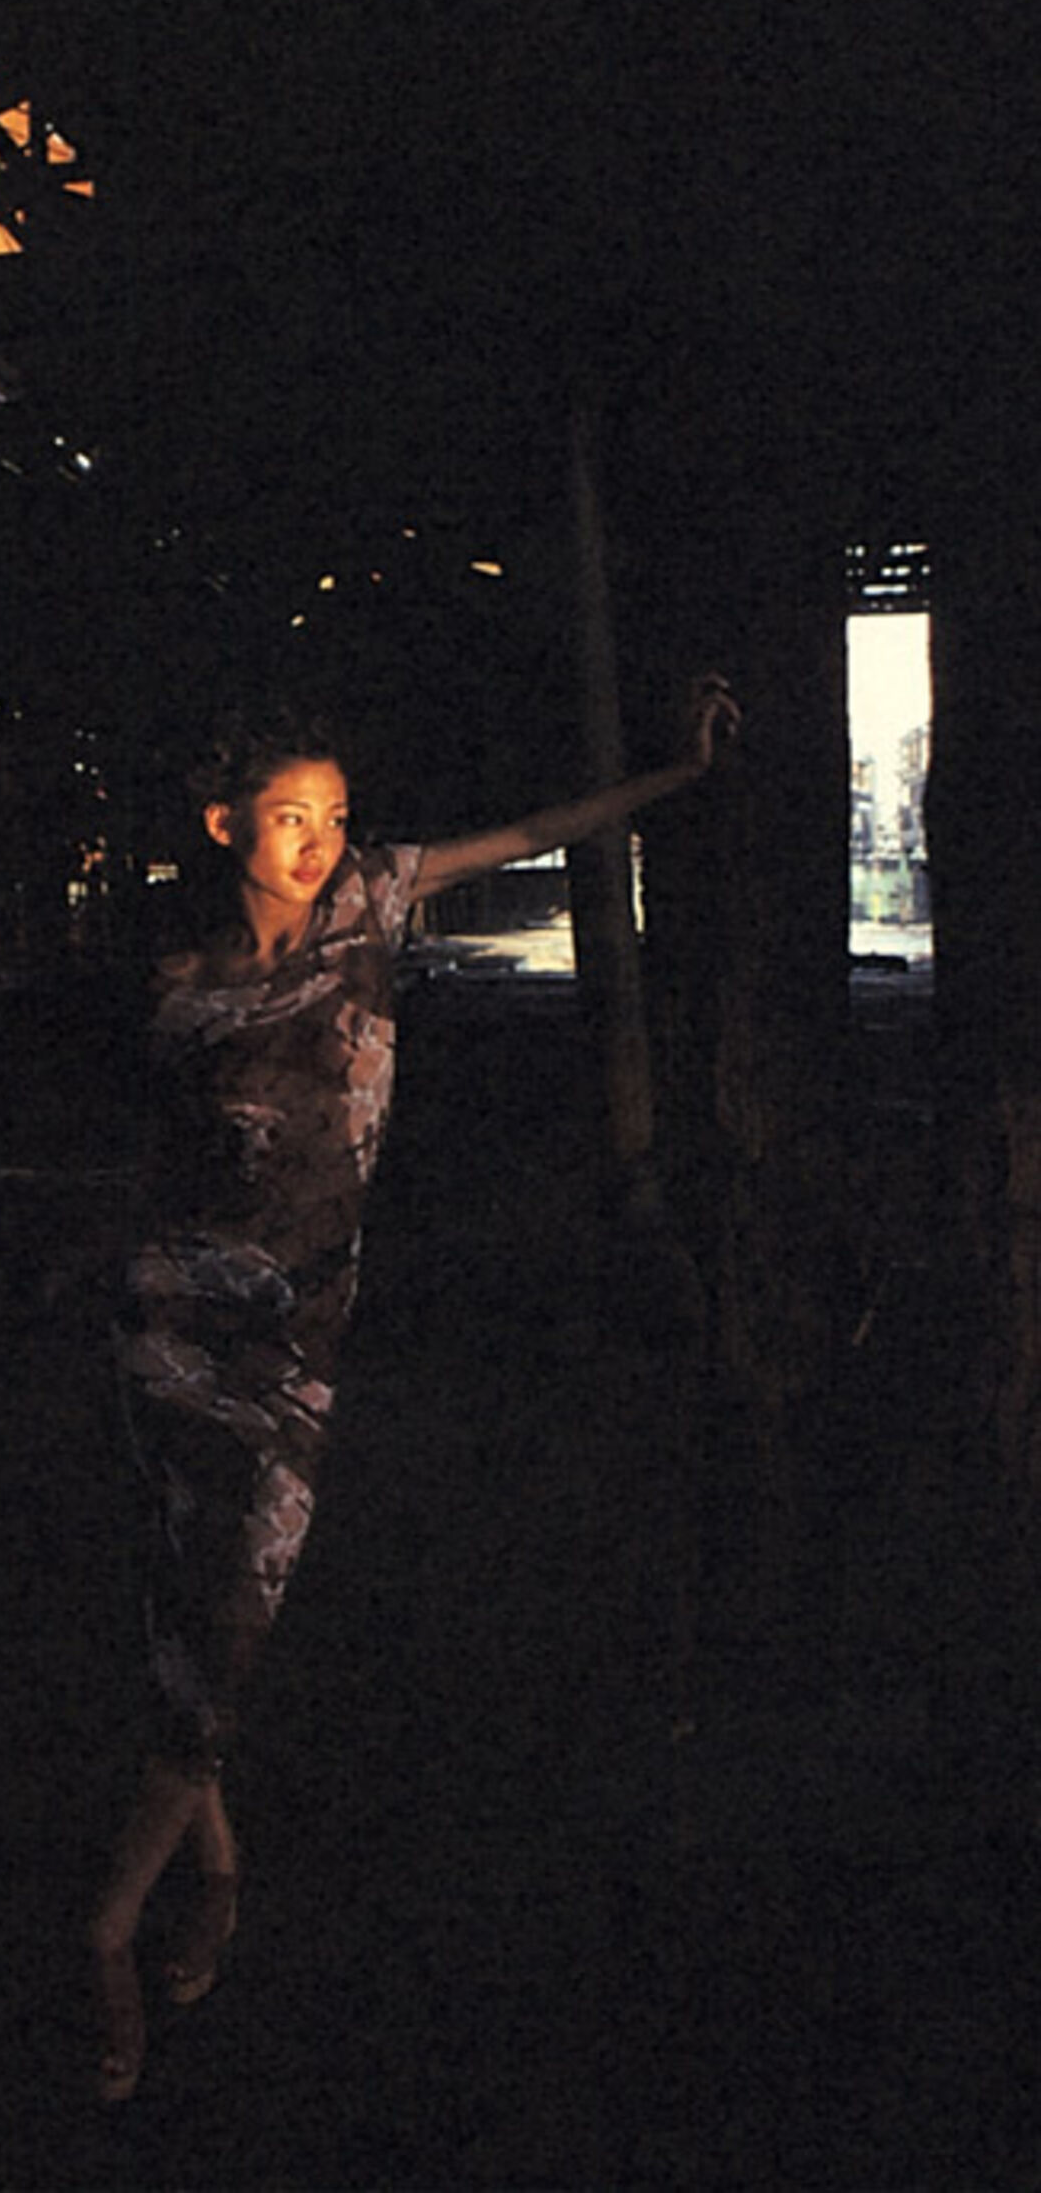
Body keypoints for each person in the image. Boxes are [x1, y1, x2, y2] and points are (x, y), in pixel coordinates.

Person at [87, 674, 739, 2102]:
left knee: (236, 1605)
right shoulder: (181, 983)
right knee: (193, 1605)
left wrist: (678, 775)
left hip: (300, 1339)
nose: (319, 839)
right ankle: (172, 1897)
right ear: (225, 825)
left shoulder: (373, 905)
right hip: (177, 1324)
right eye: (288, 816)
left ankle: (131, 1909)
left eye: (333, 814)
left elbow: (535, 833)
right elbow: (159, 1165)